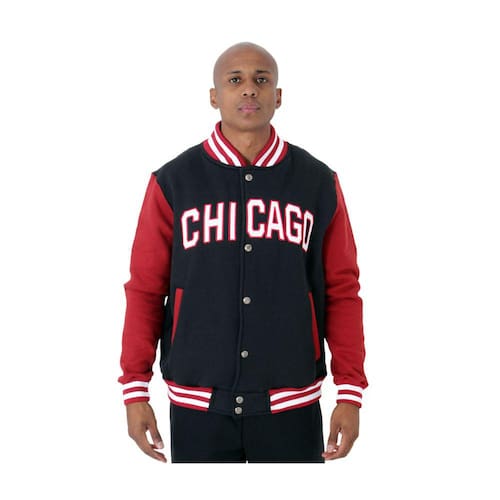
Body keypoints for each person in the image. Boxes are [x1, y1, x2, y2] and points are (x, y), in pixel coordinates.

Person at [118, 41, 368, 463]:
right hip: (197, 401)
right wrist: (134, 389)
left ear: (278, 96)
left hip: (292, 400)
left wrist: (350, 391)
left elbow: (342, 289)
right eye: (235, 80)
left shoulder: (317, 183)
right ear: (214, 96)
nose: (249, 89)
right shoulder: (173, 182)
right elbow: (145, 288)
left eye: (261, 80)